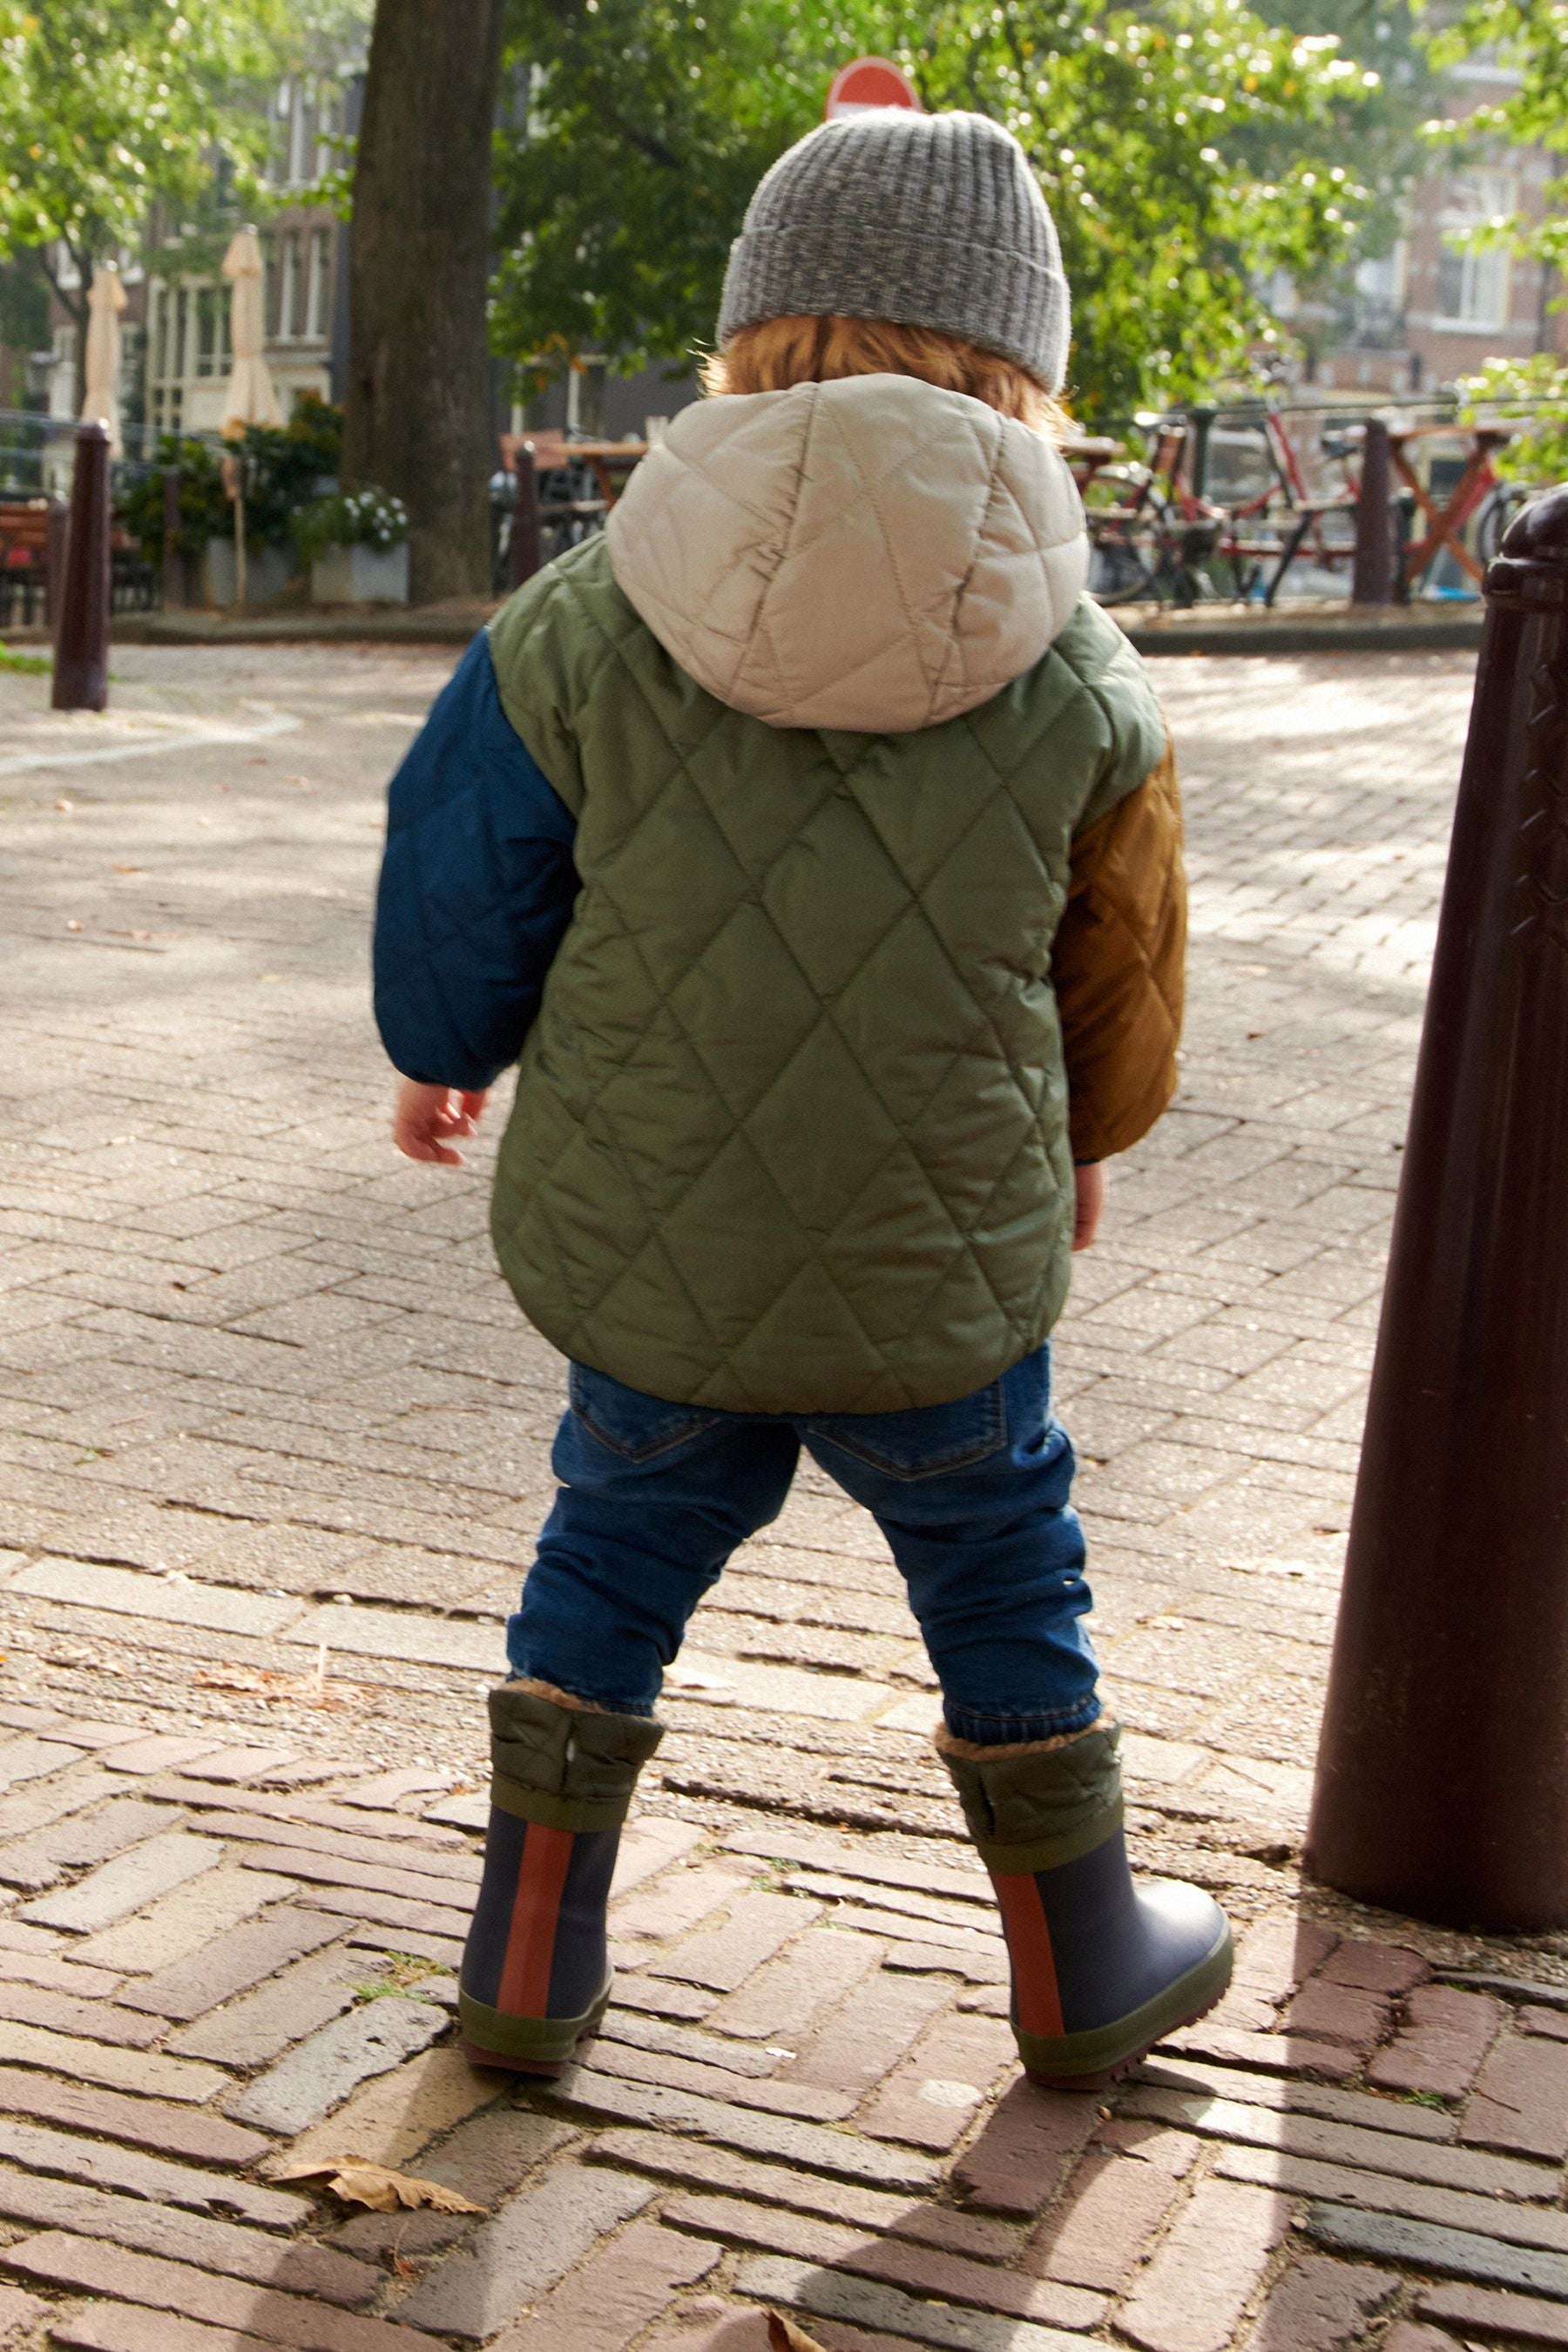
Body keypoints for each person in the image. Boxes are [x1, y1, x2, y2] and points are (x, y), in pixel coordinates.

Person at [372, 107, 1232, 2094]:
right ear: (1024, 358)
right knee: (1005, 1558)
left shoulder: (585, 614)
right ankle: (1081, 1955)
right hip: (937, 1250)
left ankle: (524, 1960)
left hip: (656, 1236)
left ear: (755, 328)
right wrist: (1089, 1136)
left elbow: (462, 866)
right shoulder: (1085, 669)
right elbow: (1122, 963)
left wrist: (447, 1046)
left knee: (611, 1547)